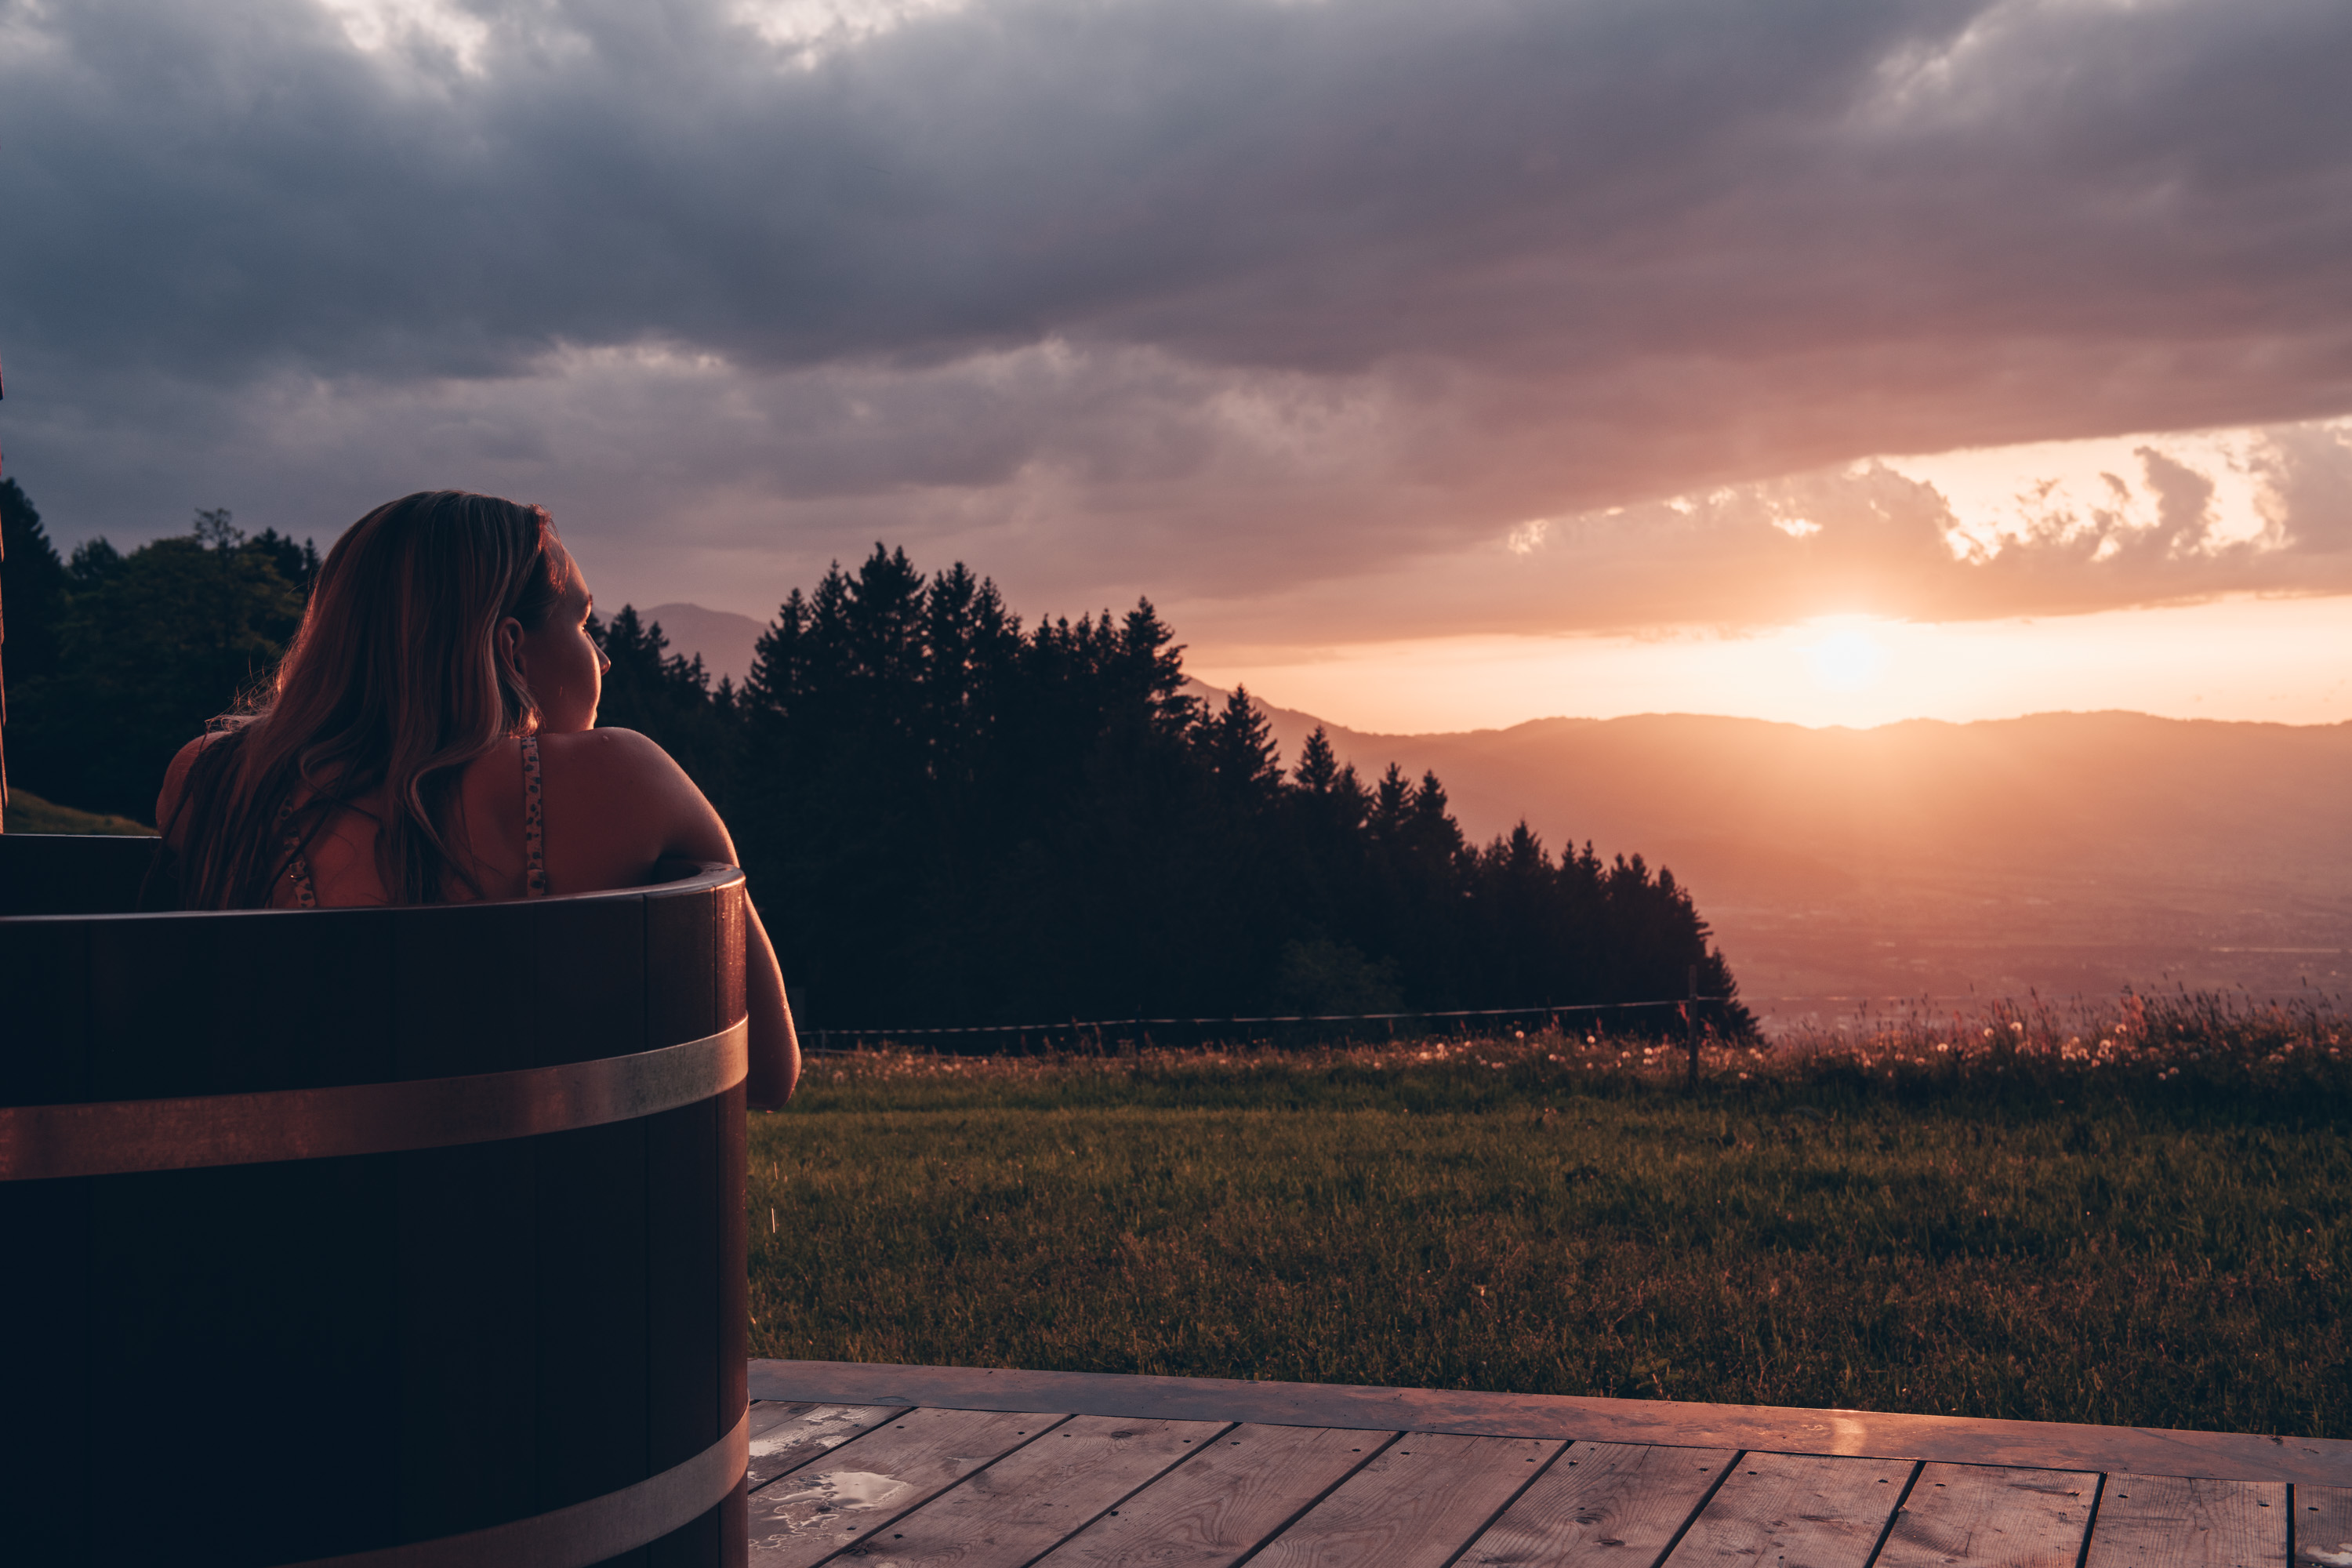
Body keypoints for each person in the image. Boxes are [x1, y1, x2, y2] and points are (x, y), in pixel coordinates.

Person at [155, 490, 799, 1107]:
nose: (603, 659)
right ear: (511, 648)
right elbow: (768, 1071)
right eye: (582, 623)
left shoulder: (210, 778)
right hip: (536, 1210)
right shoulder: (623, 775)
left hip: (277, 1206)